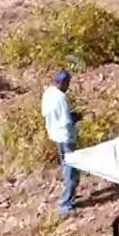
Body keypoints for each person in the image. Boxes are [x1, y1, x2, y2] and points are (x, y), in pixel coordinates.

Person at [41, 69, 79, 215]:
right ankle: (65, 204)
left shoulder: (48, 93)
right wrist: (75, 119)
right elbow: (66, 122)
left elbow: (46, 113)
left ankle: (70, 194)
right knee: (71, 169)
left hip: (55, 135)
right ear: (62, 82)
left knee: (66, 166)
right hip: (66, 137)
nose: (68, 86)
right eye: (67, 83)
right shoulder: (60, 98)